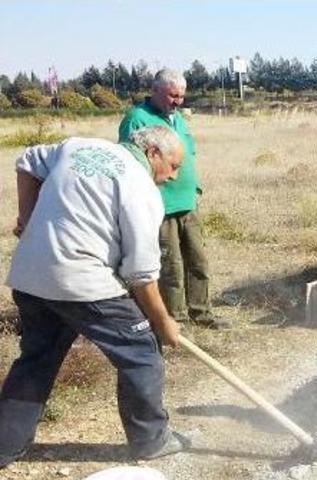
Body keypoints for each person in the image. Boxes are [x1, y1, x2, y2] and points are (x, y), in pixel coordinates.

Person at [0, 126, 188, 468]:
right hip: (81, 282)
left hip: (30, 275)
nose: (173, 177)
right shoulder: (142, 189)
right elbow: (143, 276)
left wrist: (27, 218)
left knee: (37, 359)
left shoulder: (79, 147)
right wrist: (163, 324)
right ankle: (151, 440)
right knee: (141, 353)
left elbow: (27, 161)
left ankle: (4, 445)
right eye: (174, 166)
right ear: (153, 153)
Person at [119, 69, 230, 330]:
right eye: (172, 95)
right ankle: (177, 320)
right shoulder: (137, 119)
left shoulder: (178, 118)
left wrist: (196, 189)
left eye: (181, 96)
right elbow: (131, 165)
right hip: (161, 207)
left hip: (188, 203)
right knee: (171, 266)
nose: (178, 101)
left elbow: (188, 154)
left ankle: (201, 312)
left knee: (198, 261)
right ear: (155, 90)